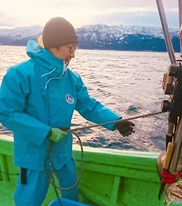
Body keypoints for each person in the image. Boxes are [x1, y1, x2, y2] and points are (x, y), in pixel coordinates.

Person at [0, 17, 135, 206]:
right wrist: (46, 132)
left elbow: (89, 106)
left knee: (70, 198)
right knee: (27, 201)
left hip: (62, 153)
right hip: (33, 155)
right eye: (70, 48)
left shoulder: (72, 79)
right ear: (54, 46)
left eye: (75, 48)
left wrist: (115, 121)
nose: (73, 54)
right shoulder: (19, 74)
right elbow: (7, 113)